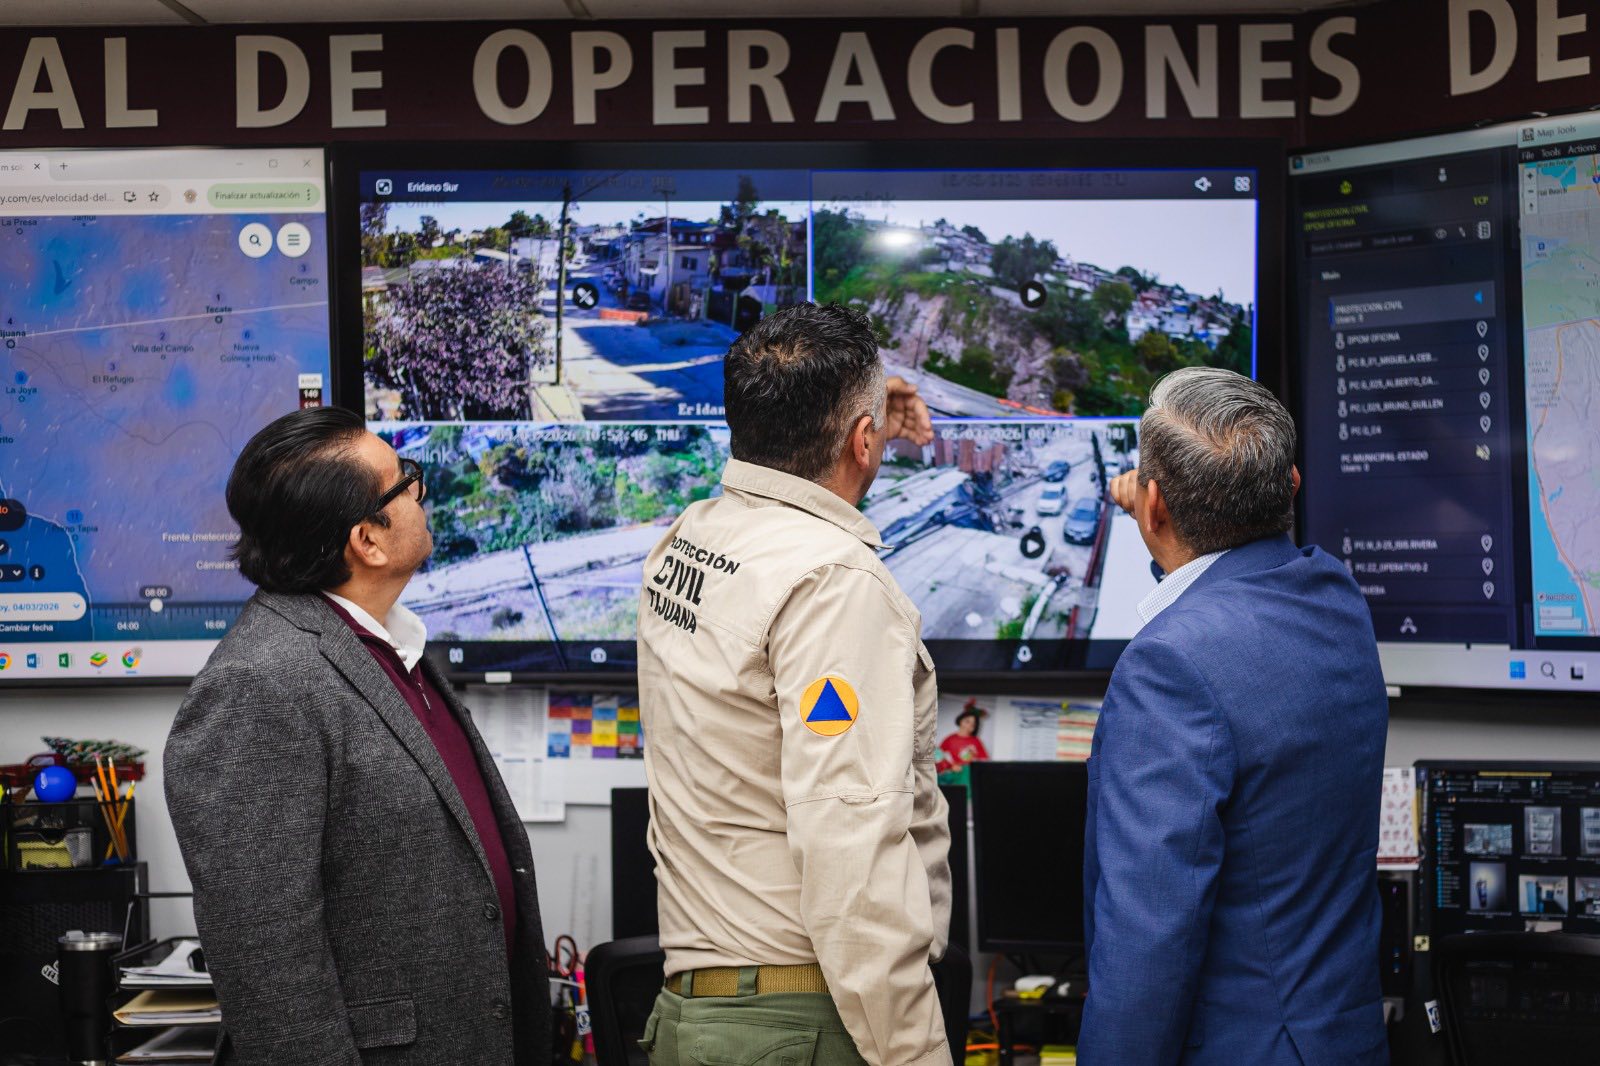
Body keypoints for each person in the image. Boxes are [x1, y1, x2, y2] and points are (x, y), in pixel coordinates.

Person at [164, 407, 549, 1066]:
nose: (421, 492)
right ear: (367, 540)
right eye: (405, 482)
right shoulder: (260, 682)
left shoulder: (388, 647)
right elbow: (266, 961)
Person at [636, 303, 951, 1066]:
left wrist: (864, 409)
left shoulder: (687, 539)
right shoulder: (832, 583)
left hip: (697, 1015)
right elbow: (851, 851)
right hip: (803, 1020)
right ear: (864, 440)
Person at [1081, 367, 1388, 1065]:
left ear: (1152, 507)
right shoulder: (1336, 599)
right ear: (1292, 486)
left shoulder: (1167, 667)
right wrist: (1161, 526)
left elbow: (1148, 941)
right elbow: (1230, 596)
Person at [935, 700, 990, 786]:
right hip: (955, 772)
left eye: (973, 724)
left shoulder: (976, 741)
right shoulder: (950, 739)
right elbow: (938, 755)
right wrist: (951, 766)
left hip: (970, 773)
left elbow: (984, 760)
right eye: (967, 721)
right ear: (960, 721)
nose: (969, 725)